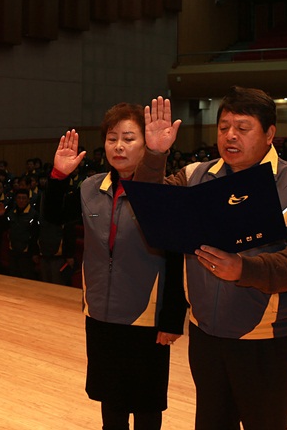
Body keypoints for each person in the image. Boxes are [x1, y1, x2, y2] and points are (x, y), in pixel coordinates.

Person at [135, 87, 287, 430]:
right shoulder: (196, 175)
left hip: (264, 341)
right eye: (224, 127)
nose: (230, 136)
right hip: (205, 335)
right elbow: (150, 212)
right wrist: (153, 154)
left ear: (269, 133)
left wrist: (246, 268)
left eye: (243, 127)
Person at [44, 103, 187, 430]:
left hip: (146, 317)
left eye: (128, 138)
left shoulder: (165, 193)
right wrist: (58, 176)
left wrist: (172, 317)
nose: (119, 146)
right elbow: (53, 216)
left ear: (146, 142)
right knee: (111, 403)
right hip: (100, 313)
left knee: (147, 406)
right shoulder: (91, 188)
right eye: (112, 139)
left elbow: (176, 256)